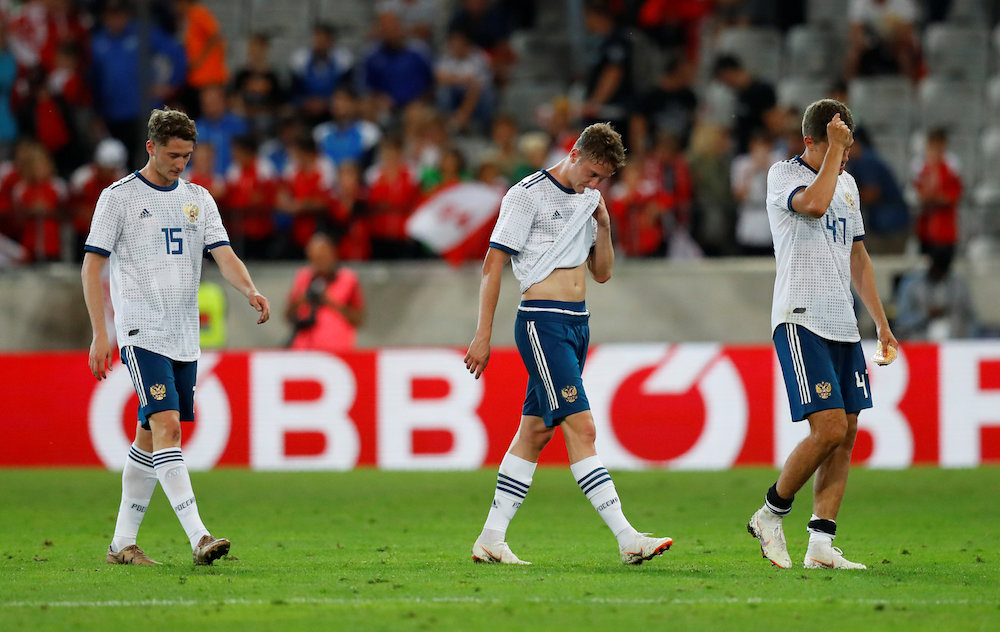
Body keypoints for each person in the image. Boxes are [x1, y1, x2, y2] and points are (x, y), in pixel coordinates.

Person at [464, 122, 672, 565]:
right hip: (543, 322)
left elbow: (602, 273)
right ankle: (626, 537)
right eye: (593, 173)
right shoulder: (527, 195)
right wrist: (483, 334)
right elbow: (492, 264)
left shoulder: (590, 201)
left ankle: (490, 538)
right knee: (584, 428)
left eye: (603, 180)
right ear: (575, 152)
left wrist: (605, 227)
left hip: (578, 322)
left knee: (535, 432)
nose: (595, 184)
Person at [81, 108, 271, 566]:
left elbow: (223, 254)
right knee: (168, 424)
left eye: (186, 155)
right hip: (140, 330)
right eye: (172, 155)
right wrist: (100, 332)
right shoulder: (118, 198)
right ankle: (199, 536)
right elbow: (91, 266)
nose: (179, 163)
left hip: (184, 334)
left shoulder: (199, 199)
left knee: (150, 431)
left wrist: (249, 289)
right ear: (150, 147)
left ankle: (122, 543)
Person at [748, 99, 897, 570]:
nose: (847, 153)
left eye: (849, 144)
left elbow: (859, 257)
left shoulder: (847, 184)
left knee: (846, 433)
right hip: (800, 316)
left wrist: (882, 323)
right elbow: (812, 206)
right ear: (810, 140)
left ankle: (820, 543)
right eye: (838, 143)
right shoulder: (782, 176)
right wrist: (833, 152)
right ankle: (770, 514)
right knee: (828, 427)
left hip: (842, 323)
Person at [285, 232, 366, 353]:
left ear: (333, 254)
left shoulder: (348, 279)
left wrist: (329, 301)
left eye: (323, 257)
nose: (320, 263)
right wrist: (301, 301)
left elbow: (358, 318)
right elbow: (288, 315)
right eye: (316, 258)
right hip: (304, 348)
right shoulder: (303, 277)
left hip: (338, 348)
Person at [894, 247, 978, 341]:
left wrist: (969, 341)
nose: (939, 273)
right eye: (937, 269)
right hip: (919, 341)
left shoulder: (959, 285)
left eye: (942, 270)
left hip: (955, 340)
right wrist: (925, 314)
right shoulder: (912, 284)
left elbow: (972, 318)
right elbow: (902, 320)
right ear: (931, 264)